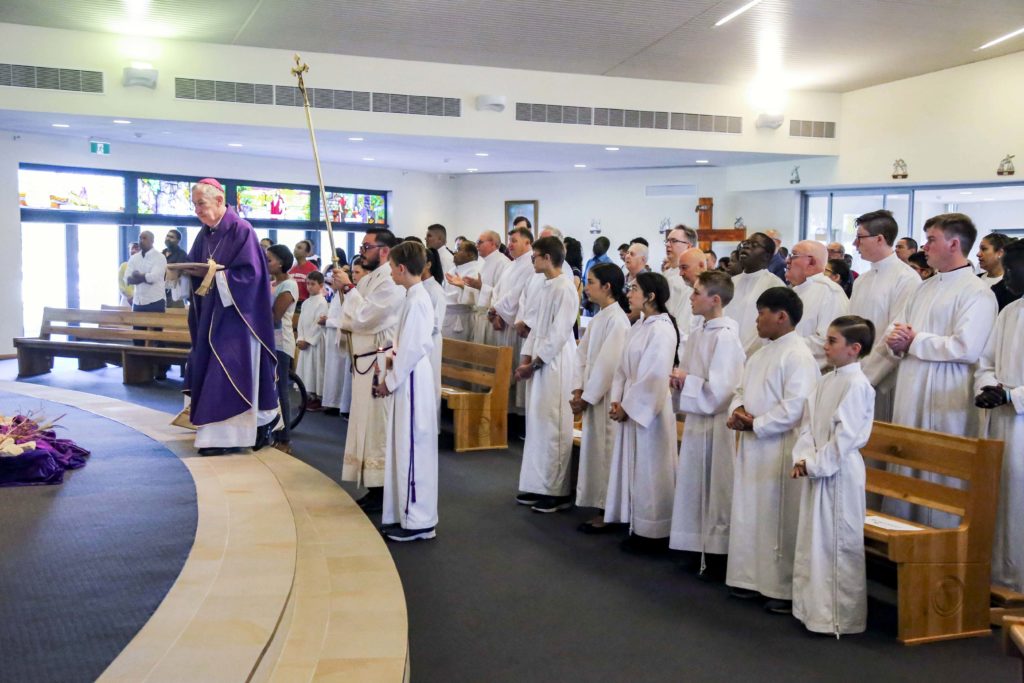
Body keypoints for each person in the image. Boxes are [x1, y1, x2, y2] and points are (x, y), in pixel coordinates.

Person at [882, 213, 998, 527]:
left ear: (954, 243)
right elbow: (896, 327)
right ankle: (899, 538)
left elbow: (966, 347)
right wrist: (896, 339)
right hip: (910, 386)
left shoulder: (978, 293)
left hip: (947, 395)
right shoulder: (922, 288)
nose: (925, 246)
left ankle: (938, 545)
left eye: (932, 239)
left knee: (940, 471)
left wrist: (915, 340)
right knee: (906, 458)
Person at [726, 287, 819, 614]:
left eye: (762, 312)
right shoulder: (761, 352)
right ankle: (750, 577)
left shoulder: (798, 355)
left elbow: (796, 407)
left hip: (780, 447)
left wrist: (758, 423)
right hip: (754, 445)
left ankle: (780, 587)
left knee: (776, 516)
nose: (756, 319)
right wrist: (737, 412)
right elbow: (739, 388)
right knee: (751, 512)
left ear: (782, 316)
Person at [791, 315, 876, 636]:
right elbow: (808, 426)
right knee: (814, 540)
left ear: (854, 349)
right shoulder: (826, 380)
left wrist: (815, 464)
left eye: (832, 341)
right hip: (817, 468)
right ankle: (811, 609)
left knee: (837, 542)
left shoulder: (858, 385)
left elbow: (846, 437)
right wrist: (803, 457)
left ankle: (838, 617)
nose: (825, 347)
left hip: (840, 473)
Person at [184, 178, 278, 457]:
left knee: (226, 373)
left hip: (236, 319)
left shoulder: (241, 230)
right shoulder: (206, 233)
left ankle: (225, 436)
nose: (197, 210)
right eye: (195, 205)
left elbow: (251, 277)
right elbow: (196, 266)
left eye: (201, 204)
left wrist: (217, 276)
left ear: (219, 200)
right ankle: (215, 435)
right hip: (212, 316)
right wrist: (182, 273)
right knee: (211, 371)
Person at [668, 271, 744, 579]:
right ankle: (696, 542)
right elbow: (689, 370)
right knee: (695, 482)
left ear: (715, 300)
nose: (690, 296)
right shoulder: (700, 330)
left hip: (717, 423)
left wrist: (688, 381)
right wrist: (679, 379)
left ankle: (717, 552)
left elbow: (723, 389)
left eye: (697, 292)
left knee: (717, 485)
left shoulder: (725, 336)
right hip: (699, 419)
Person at [604, 272, 679, 554]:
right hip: (632, 407)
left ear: (651, 297)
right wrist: (617, 399)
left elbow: (654, 376)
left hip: (652, 413)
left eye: (634, 289)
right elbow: (623, 367)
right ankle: (639, 525)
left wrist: (628, 406)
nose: (629, 293)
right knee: (637, 468)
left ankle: (655, 531)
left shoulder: (662, 329)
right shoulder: (639, 325)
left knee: (652, 470)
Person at [334, 228, 406, 511]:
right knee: (365, 424)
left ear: (384, 250)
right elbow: (350, 315)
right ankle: (373, 485)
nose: (362, 251)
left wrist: (350, 289)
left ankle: (383, 488)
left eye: (367, 246)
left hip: (380, 362)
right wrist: (347, 290)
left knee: (378, 426)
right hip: (365, 361)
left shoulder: (390, 280)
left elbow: (366, 317)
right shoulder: (373, 277)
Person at [373, 241, 439, 542]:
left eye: (391, 268)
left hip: (411, 377)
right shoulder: (413, 296)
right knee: (404, 443)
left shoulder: (417, 299)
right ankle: (405, 513)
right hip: (409, 374)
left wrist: (390, 380)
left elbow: (413, 348)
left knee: (412, 444)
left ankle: (417, 520)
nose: (389, 272)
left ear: (401, 268)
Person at [513, 236, 579, 513]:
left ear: (548, 258)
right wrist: (526, 358)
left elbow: (559, 333)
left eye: (535, 256)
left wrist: (536, 362)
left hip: (556, 363)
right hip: (540, 361)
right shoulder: (545, 285)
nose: (532, 261)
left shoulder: (566, 288)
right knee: (538, 425)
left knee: (553, 425)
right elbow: (537, 327)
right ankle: (538, 484)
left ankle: (557, 490)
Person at [975, 239, 1024, 592]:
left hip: (1020, 418)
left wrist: (1012, 395)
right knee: (1002, 500)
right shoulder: (1011, 311)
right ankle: (1000, 579)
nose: (1008, 275)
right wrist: (990, 385)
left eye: (1015, 267)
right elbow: (986, 360)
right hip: (1003, 422)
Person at [572, 263, 630, 533]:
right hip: (591, 395)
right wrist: (576, 389)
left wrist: (587, 395)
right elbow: (581, 355)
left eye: (592, 282)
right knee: (596, 453)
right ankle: (599, 505)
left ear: (607, 286)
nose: (588, 287)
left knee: (606, 453)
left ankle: (608, 510)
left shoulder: (617, 319)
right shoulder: (600, 317)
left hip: (605, 398)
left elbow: (609, 365)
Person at [848, 209, 920, 423]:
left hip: (883, 377)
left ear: (879, 239)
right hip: (854, 372)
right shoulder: (863, 279)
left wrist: (866, 377)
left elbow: (895, 333)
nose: (854, 244)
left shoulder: (906, 279)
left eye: (860, 237)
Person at [488, 227, 536, 412]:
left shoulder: (530, 264)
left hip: (517, 326)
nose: (510, 245)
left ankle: (519, 415)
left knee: (516, 368)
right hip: (503, 323)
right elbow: (496, 291)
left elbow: (517, 295)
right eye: (509, 241)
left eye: (514, 241)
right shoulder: (511, 264)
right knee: (504, 369)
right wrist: (494, 313)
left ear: (527, 242)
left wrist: (498, 310)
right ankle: (506, 412)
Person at [785, 240, 850, 370]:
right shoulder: (796, 291)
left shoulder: (829, 292)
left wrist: (782, 346)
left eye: (793, 255)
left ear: (811, 262)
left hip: (812, 373)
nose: (787, 261)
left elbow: (826, 341)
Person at [723, 232, 786, 356]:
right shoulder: (731, 282)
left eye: (754, 245)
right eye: (745, 243)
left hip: (757, 355)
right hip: (726, 352)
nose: (746, 247)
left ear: (767, 255)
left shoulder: (774, 285)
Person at [447, 230, 510, 344]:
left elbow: (502, 294)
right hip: (482, 317)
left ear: (492, 243)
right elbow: (479, 293)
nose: (476, 246)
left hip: (494, 320)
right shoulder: (485, 263)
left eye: (480, 242)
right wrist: (464, 286)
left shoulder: (503, 263)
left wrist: (481, 287)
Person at [267, 245, 298, 452]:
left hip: (281, 342)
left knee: (281, 391)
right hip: (269, 340)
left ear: (281, 262)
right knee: (271, 390)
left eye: (269, 260)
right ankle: (272, 431)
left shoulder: (289, 285)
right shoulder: (271, 283)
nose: (266, 262)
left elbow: (275, 316)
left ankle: (285, 438)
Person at [321, 261, 359, 416]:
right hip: (332, 337)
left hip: (341, 337)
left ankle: (338, 404)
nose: (332, 282)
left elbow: (348, 319)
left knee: (338, 373)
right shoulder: (337, 295)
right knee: (331, 371)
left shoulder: (348, 295)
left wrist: (328, 321)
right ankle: (331, 402)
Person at [295, 270, 328, 413]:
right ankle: (307, 395)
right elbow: (301, 322)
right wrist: (300, 338)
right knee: (305, 369)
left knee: (315, 369)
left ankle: (316, 397)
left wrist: (308, 340)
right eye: (307, 284)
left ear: (321, 285)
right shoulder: (306, 303)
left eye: (312, 284)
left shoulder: (322, 302)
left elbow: (318, 324)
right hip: (304, 342)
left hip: (315, 343)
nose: (309, 287)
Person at [421, 247, 448, 411]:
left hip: (429, 342)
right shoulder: (417, 287)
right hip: (419, 341)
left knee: (428, 384)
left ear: (428, 265)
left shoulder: (435, 290)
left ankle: (431, 428)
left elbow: (436, 323)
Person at [442, 241, 481, 340]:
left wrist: (463, 286)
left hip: (463, 319)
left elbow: (476, 297)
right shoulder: (453, 270)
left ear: (470, 254)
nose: (455, 252)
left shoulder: (476, 270)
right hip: (447, 316)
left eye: (459, 250)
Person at [124, 230, 167, 316]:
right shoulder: (134, 258)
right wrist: (144, 277)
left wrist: (137, 275)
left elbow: (153, 278)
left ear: (152, 241)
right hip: (138, 302)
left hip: (155, 301)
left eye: (144, 238)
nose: (141, 240)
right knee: (137, 329)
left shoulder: (160, 257)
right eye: (140, 238)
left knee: (155, 329)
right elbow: (127, 278)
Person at [163, 228, 190, 308]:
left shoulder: (181, 254)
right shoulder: (162, 253)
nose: (168, 238)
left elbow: (178, 272)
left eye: (171, 237)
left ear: (178, 240)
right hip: (160, 293)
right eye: (167, 236)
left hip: (175, 293)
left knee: (174, 318)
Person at [289, 239, 318, 308]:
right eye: (295, 247)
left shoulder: (312, 269)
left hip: (305, 304)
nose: (295, 249)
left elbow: (316, 291)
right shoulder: (290, 268)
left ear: (307, 253)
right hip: (291, 304)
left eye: (299, 248)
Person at [118, 241, 140, 306]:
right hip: (126, 300)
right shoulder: (124, 266)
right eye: (131, 248)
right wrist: (129, 297)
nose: (133, 250)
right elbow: (121, 284)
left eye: (136, 249)